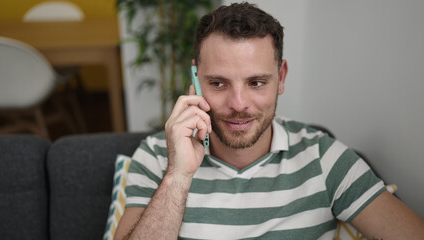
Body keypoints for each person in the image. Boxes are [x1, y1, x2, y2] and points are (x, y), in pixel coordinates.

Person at [115, 2, 424, 239]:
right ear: (195, 79)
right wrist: (178, 176)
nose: (238, 105)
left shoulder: (324, 158)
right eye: (219, 83)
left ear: (281, 77)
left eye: (256, 83)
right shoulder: (157, 157)